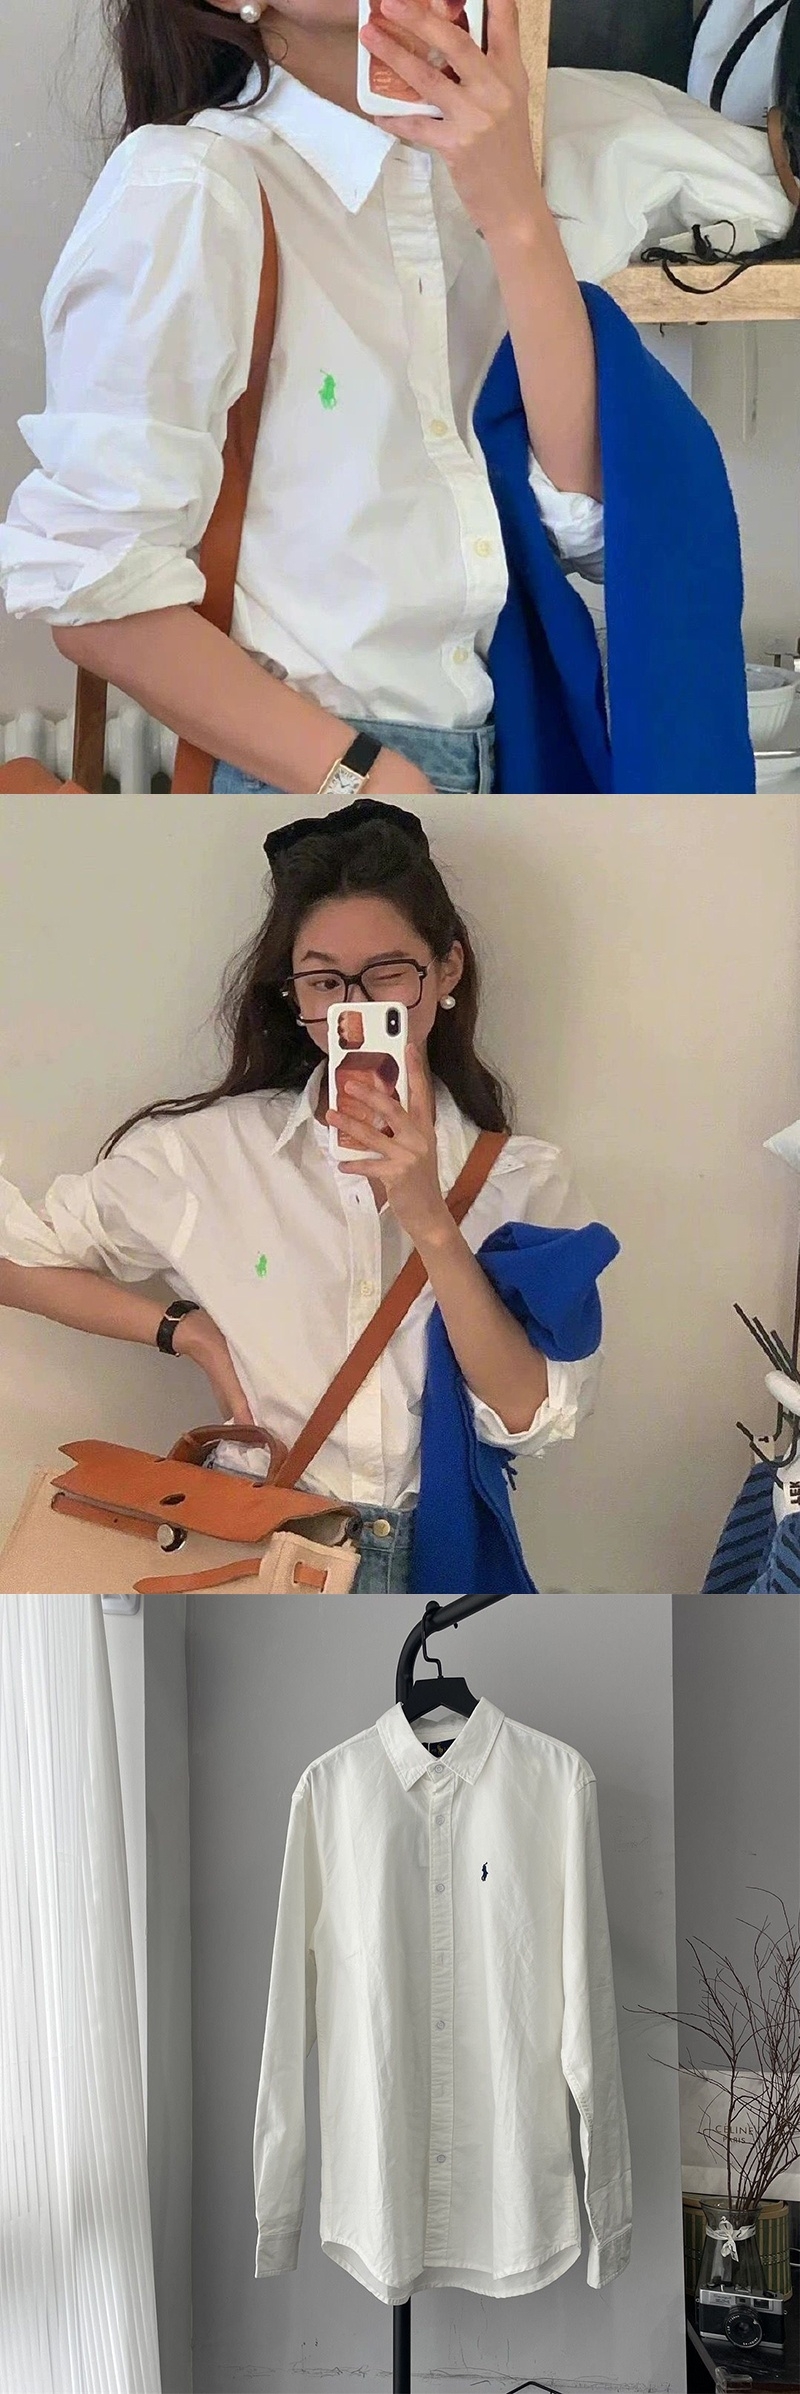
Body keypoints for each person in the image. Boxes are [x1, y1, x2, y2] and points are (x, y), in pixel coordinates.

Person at [0, 0, 606, 798]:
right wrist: (369, 779)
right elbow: (91, 587)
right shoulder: (194, 183)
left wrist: (518, 212)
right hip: (309, 779)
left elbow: (587, 527)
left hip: (499, 757)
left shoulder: (465, 190)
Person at [0, 803, 606, 1594]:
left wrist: (430, 1222)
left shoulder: (522, 1178)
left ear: (448, 969)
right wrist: (188, 1332)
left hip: (433, 1557)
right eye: (324, 981)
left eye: (388, 972)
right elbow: (14, 1257)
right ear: (293, 993)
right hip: (257, 1549)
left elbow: (535, 1418)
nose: (356, 1008)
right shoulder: (209, 1155)